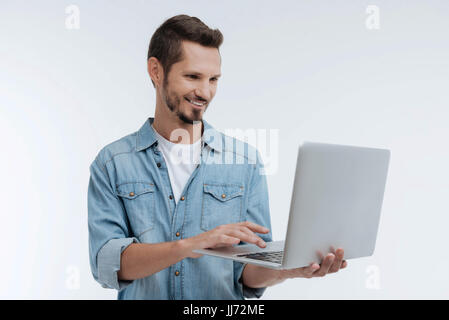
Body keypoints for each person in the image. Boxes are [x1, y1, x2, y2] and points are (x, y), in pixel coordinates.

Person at [88, 14, 347, 300]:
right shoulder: (112, 163)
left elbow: (249, 271)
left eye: (213, 79)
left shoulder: (245, 162)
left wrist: (289, 270)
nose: (205, 92)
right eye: (193, 77)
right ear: (156, 71)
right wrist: (191, 245)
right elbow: (107, 264)